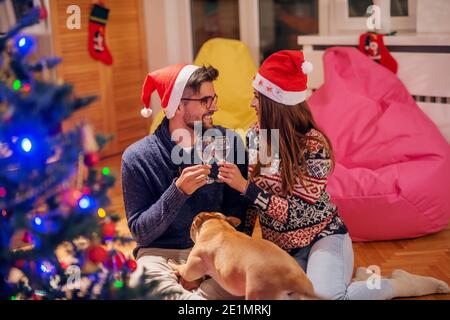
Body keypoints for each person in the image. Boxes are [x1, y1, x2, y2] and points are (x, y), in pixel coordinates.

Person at [217, 50, 450, 300]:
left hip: (323, 238)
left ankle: (400, 285)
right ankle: (360, 281)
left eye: (257, 98)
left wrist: (246, 188)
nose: (252, 104)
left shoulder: (314, 146)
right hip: (282, 249)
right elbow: (255, 198)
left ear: (276, 104)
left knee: (329, 299)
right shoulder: (258, 137)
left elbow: (295, 213)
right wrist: (242, 240)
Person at [122, 64, 248, 299]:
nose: (215, 107)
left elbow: (240, 211)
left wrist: (210, 264)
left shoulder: (228, 143)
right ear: (178, 105)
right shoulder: (138, 157)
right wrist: (178, 192)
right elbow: (141, 233)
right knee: (143, 284)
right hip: (161, 254)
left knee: (248, 284)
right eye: (205, 101)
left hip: (216, 249)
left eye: (214, 98)